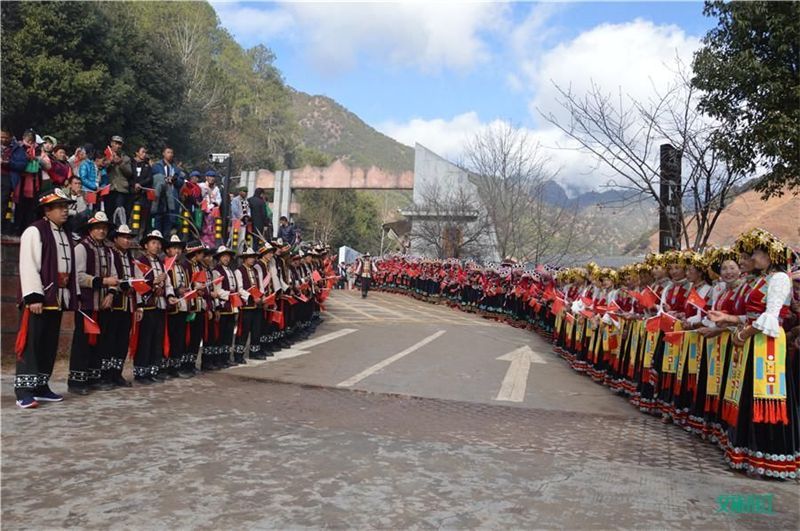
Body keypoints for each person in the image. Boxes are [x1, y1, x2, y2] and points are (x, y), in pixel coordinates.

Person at [14, 189, 80, 408]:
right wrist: (34, 296)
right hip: (39, 298)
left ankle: (42, 385)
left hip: (57, 297)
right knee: (31, 343)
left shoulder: (65, 233)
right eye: (59, 207)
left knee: (49, 343)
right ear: (46, 210)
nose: (64, 211)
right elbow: (28, 264)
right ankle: (24, 389)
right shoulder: (35, 231)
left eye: (66, 206)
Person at [69, 210, 119, 395]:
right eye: (97, 228)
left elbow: (114, 275)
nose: (101, 231)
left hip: (104, 303)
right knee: (82, 342)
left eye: (104, 228)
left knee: (100, 342)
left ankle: (94, 377)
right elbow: (79, 276)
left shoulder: (108, 251)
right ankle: (77, 381)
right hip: (86, 304)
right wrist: (104, 282)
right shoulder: (81, 248)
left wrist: (111, 294)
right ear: (90, 229)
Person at [133, 229, 171, 384]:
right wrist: (139, 306)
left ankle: (153, 370)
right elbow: (137, 284)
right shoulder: (140, 262)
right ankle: (141, 372)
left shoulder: (162, 264)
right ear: (146, 245)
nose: (156, 246)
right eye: (153, 243)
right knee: (145, 340)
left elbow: (167, 284)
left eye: (158, 243)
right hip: (147, 305)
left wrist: (170, 295)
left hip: (159, 305)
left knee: (157, 339)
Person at [104, 224, 138, 387]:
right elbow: (110, 275)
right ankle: (106, 374)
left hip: (128, 304)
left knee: (122, 341)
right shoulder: (110, 254)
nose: (126, 240)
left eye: (128, 238)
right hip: (114, 303)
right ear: (115, 238)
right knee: (110, 340)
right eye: (123, 237)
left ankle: (117, 373)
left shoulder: (131, 258)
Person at [164, 235, 192, 379]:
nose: (177, 251)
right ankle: (165, 367)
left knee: (179, 339)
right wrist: (176, 291)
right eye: (174, 248)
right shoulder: (165, 265)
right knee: (169, 337)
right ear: (168, 250)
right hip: (171, 308)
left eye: (179, 248)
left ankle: (175, 366)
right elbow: (165, 287)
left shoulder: (182, 267)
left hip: (182, 307)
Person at [210, 246, 239, 369]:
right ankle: (218, 359)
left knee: (228, 334)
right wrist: (230, 295)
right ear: (219, 258)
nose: (226, 258)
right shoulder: (216, 271)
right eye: (223, 256)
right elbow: (217, 290)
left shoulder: (231, 271)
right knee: (220, 335)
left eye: (228, 256)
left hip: (232, 305)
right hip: (223, 305)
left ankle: (226, 357)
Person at [151, 147, 185, 238]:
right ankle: (156, 238)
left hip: (172, 198)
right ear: (163, 153)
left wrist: (174, 180)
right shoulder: (157, 165)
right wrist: (164, 179)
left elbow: (181, 182)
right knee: (157, 218)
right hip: (159, 197)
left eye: (172, 152)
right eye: (168, 152)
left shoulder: (176, 169)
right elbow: (153, 178)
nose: (170, 154)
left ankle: (166, 240)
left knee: (170, 219)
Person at [1, 129, 29, 235]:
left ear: (10, 137)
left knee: (3, 204)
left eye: (5, 137)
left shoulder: (17, 149)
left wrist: (6, 163)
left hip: (7, 178)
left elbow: (22, 165)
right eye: (1, 137)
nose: (3, 139)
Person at [105, 135, 134, 225]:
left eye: (119, 144)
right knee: (108, 212)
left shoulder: (126, 158)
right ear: (111, 143)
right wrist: (109, 162)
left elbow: (129, 173)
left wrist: (120, 163)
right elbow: (101, 168)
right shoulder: (105, 155)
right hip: (108, 188)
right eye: (116, 143)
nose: (117, 146)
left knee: (119, 212)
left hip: (121, 189)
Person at [131, 146, 153, 235]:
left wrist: (141, 184)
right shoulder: (131, 163)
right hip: (132, 193)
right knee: (132, 216)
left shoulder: (147, 165)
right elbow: (129, 176)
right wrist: (134, 184)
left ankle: (140, 236)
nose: (144, 154)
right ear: (137, 153)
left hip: (144, 194)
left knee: (143, 217)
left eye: (145, 152)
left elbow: (149, 178)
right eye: (142, 152)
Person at [199, 170, 222, 247]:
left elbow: (219, 199)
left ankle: (211, 245)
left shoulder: (216, 189)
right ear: (206, 177)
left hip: (212, 212)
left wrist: (214, 204)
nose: (212, 179)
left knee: (213, 229)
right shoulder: (201, 186)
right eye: (210, 177)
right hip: (202, 211)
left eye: (213, 177)